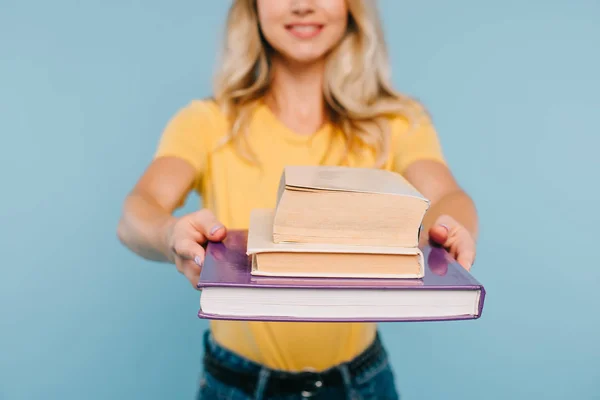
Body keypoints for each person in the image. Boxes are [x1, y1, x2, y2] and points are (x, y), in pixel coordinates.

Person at [117, 0, 478, 398]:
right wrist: (169, 234)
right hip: (234, 384)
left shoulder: (396, 123)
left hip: (362, 384)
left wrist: (449, 230)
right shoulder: (207, 122)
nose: (303, 5)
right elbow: (139, 209)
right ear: (252, 8)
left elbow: (447, 195)